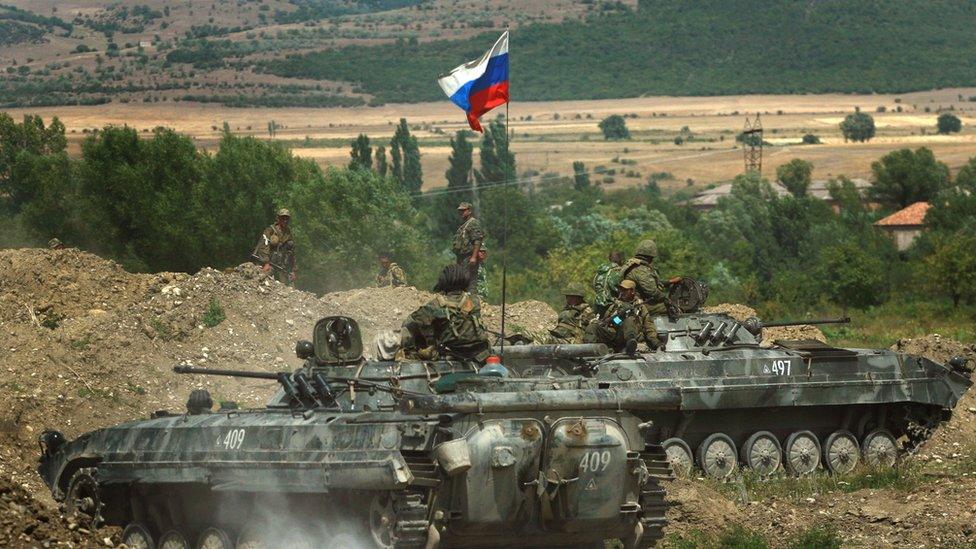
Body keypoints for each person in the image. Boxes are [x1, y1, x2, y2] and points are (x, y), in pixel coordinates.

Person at [400, 264, 491, 362]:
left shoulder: (435, 305)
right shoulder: (474, 301)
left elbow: (408, 324)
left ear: (443, 280)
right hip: (480, 355)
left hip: (452, 355)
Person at [585, 279, 661, 353]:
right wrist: (619, 318)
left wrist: (655, 342)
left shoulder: (640, 307)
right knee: (592, 327)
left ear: (632, 291)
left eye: (625, 290)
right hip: (614, 335)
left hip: (628, 337)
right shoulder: (615, 305)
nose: (622, 292)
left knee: (630, 319)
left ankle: (631, 345)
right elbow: (607, 322)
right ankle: (589, 350)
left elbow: (649, 326)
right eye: (621, 290)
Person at [620, 239, 668, 315]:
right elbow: (652, 292)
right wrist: (666, 298)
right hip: (637, 305)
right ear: (650, 257)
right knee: (668, 306)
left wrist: (669, 282)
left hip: (630, 302)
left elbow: (646, 282)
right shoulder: (641, 269)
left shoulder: (631, 264)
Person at [253, 208, 296, 285]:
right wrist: (266, 263)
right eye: (283, 218)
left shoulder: (288, 233)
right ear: (278, 218)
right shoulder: (270, 230)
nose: (285, 220)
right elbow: (263, 246)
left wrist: (293, 270)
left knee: (286, 288)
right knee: (262, 281)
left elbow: (291, 253)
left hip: (282, 266)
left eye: (287, 218)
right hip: (269, 264)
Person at [452, 202, 485, 291]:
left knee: (469, 281)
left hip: (468, 257)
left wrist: (473, 257)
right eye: (460, 211)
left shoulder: (473, 223)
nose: (461, 212)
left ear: (469, 211)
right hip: (462, 257)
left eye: (463, 210)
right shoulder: (464, 224)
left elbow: (477, 240)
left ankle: (471, 302)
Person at [592, 250, 624, 315]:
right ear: (620, 260)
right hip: (611, 305)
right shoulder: (618, 271)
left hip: (598, 304)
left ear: (609, 258)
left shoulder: (600, 272)